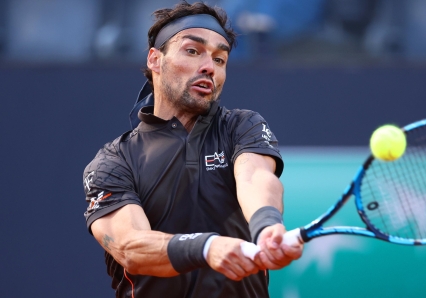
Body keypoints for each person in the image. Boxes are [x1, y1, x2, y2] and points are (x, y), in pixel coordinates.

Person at [82, 1, 303, 297]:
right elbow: (129, 246)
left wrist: (266, 226)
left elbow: (255, 179)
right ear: (155, 60)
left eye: (220, 59)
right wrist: (207, 247)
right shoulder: (113, 162)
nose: (209, 67)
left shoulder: (242, 126)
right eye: (192, 51)